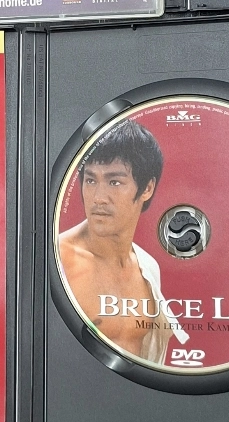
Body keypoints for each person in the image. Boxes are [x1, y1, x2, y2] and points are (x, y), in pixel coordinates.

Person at [57, 120, 188, 365]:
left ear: (147, 188)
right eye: (90, 180)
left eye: (114, 182)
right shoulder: (60, 260)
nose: (98, 198)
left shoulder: (148, 268)